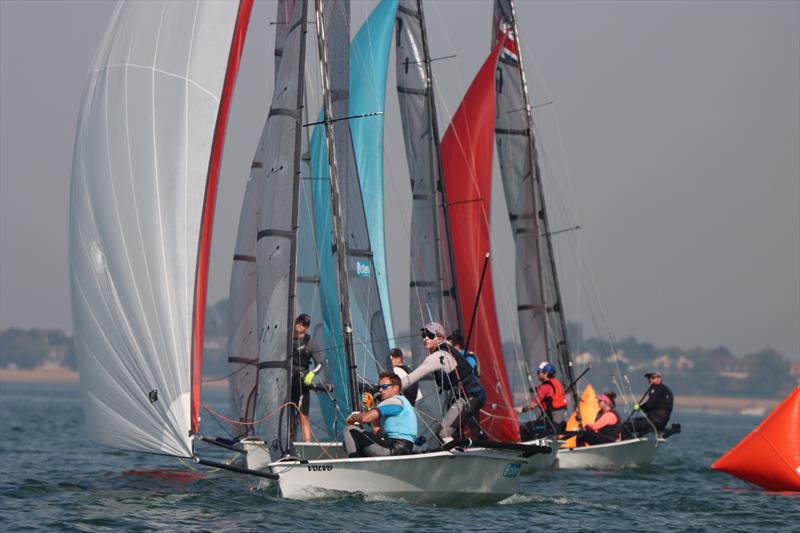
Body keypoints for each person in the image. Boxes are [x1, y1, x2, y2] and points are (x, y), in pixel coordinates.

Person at [398, 322, 486, 445]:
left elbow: (411, 378)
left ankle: (459, 457)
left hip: (470, 396)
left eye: (430, 335)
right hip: (466, 395)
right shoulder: (444, 351)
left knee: (444, 433)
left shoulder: (438, 356)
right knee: (446, 430)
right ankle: (463, 449)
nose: (426, 338)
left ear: (439, 339)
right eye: (424, 335)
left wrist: (390, 387)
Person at [343, 372, 418, 457]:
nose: (380, 390)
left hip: (394, 447)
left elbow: (365, 418)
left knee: (349, 430)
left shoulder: (393, 401)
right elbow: (376, 431)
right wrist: (371, 408)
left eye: (384, 387)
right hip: (403, 448)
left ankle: (355, 466)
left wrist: (354, 416)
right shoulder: (402, 402)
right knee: (349, 442)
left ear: (396, 388)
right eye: (379, 387)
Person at [516, 361, 568, 439]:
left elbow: (533, 405)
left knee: (524, 427)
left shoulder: (545, 387)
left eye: (538, 372)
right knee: (538, 425)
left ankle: (529, 449)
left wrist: (522, 409)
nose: (537, 374)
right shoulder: (557, 383)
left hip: (552, 424)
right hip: (561, 423)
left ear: (545, 373)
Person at [290, 313, 321, 443]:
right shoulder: (286, 339)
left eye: (304, 324)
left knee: (303, 417)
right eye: (299, 321)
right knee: (289, 417)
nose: (300, 325)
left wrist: (312, 373)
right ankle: (289, 442)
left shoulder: (311, 343)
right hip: (288, 382)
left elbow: (320, 363)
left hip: (303, 383)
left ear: (307, 327)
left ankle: (307, 443)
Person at [625, 371, 674, 436]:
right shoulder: (666, 389)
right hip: (661, 423)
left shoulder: (656, 389)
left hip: (653, 422)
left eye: (653, 377)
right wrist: (642, 407)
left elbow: (649, 405)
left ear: (660, 378)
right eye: (648, 378)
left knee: (625, 425)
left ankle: (627, 440)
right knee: (633, 421)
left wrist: (640, 407)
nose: (650, 379)